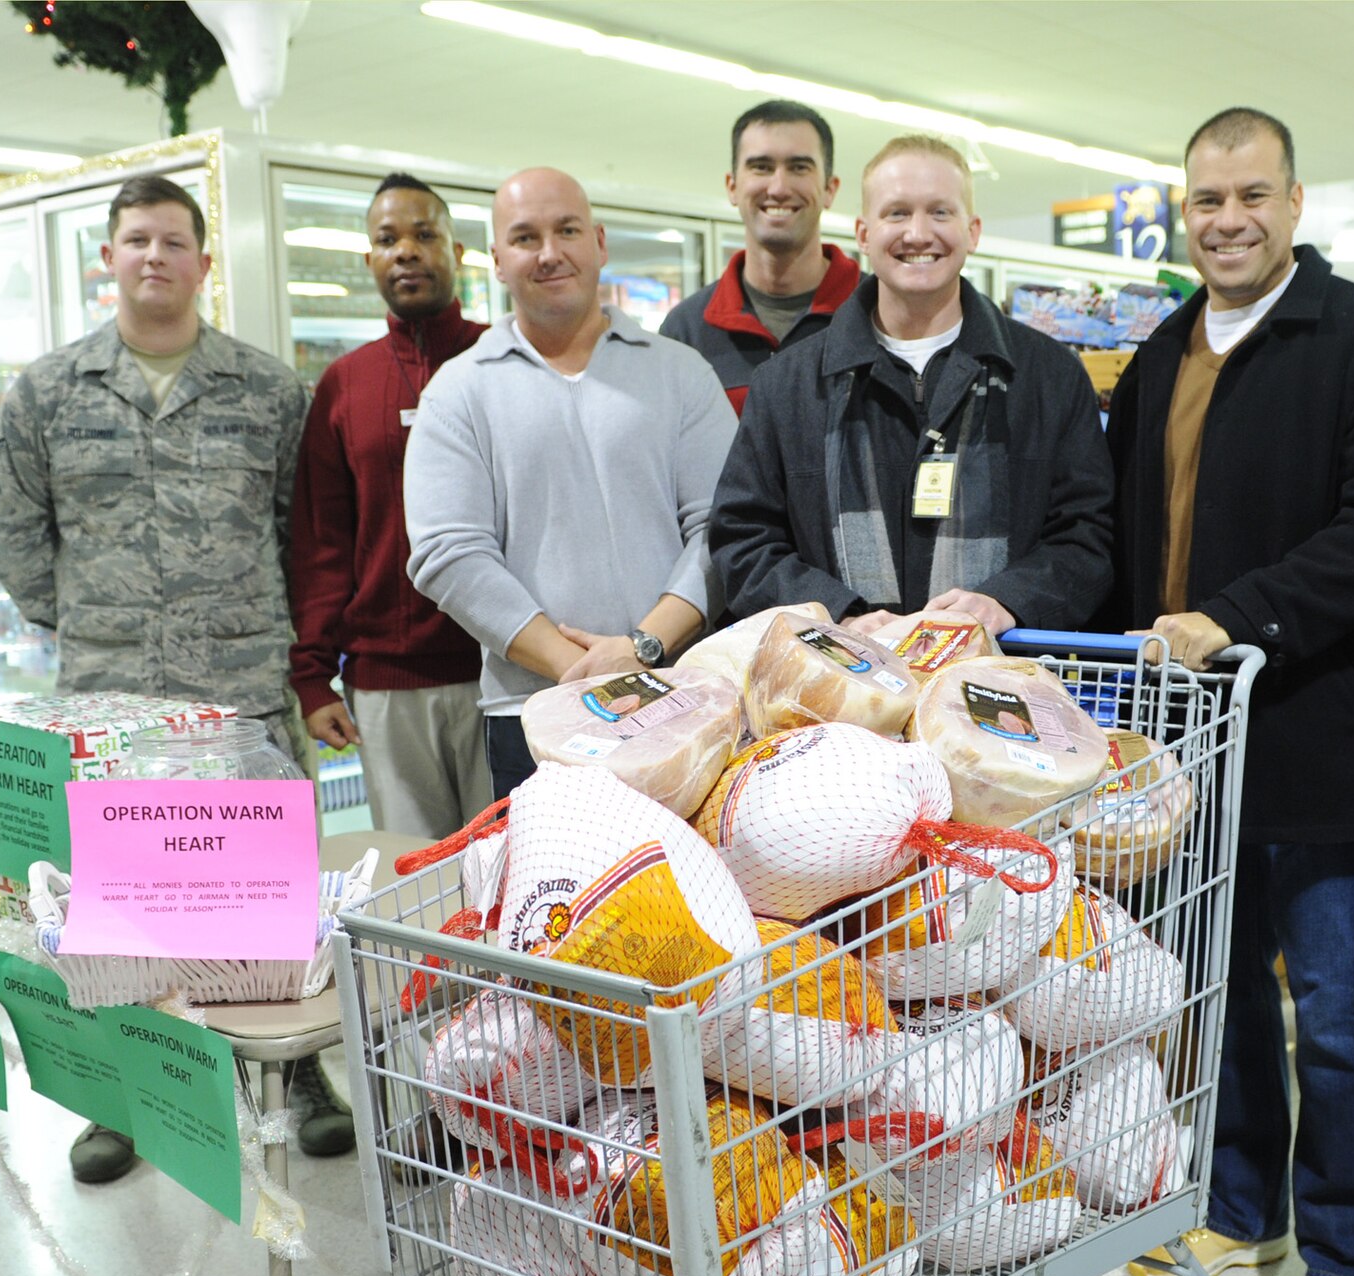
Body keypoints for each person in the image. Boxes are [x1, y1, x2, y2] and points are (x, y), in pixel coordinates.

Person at [1102, 109, 1354, 1276]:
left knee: (1337, 1007)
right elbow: (1127, 547)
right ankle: (1238, 1209)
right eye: (1205, 200)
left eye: (1251, 195)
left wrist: (1241, 616)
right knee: (1217, 995)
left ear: (1295, 203)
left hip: (1312, 732)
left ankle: (1350, 1253)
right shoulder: (1157, 354)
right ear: (1180, 211)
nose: (1227, 219)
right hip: (1188, 748)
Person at [0, 175, 350, 1182]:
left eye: (173, 240)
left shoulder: (267, 390)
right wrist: (81, 619)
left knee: (269, 899)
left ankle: (299, 1072)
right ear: (107, 257)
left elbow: (301, 530)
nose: (154, 256)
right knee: (115, 913)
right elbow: (9, 524)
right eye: (135, 239)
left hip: (238, 692)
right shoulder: (51, 391)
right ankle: (122, 1098)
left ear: (201, 259)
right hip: (108, 702)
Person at [404, 167, 736, 798]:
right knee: (554, 896)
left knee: (696, 894)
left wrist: (642, 650)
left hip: (683, 700)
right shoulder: (458, 391)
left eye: (568, 230)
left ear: (600, 242)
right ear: (498, 260)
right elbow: (449, 554)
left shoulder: (680, 373)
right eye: (526, 238)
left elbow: (721, 526)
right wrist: (581, 671)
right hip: (533, 721)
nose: (550, 252)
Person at [709, 135, 1114, 637]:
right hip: (836, 684)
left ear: (973, 231)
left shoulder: (1047, 376)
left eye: (940, 213)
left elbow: (1088, 534)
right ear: (863, 232)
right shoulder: (788, 386)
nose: (918, 234)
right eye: (896, 213)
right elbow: (742, 542)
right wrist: (840, 615)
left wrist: (1007, 601)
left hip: (1001, 681)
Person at [287, 172, 491, 840]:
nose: (407, 250)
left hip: (506, 669)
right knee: (414, 887)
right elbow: (323, 543)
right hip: (385, 685)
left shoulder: (503, 359)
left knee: (509, 871)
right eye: (388, 239)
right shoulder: (346, 383)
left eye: (425, 234)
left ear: (457, 253)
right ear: (369, 259)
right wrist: (314, 680)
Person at [661, 99, 861, 412]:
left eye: (799, 167)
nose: (779, 187)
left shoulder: (877, 311)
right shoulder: (686, 330)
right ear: (732, 186)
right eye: (761, 167)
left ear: (830, 189)